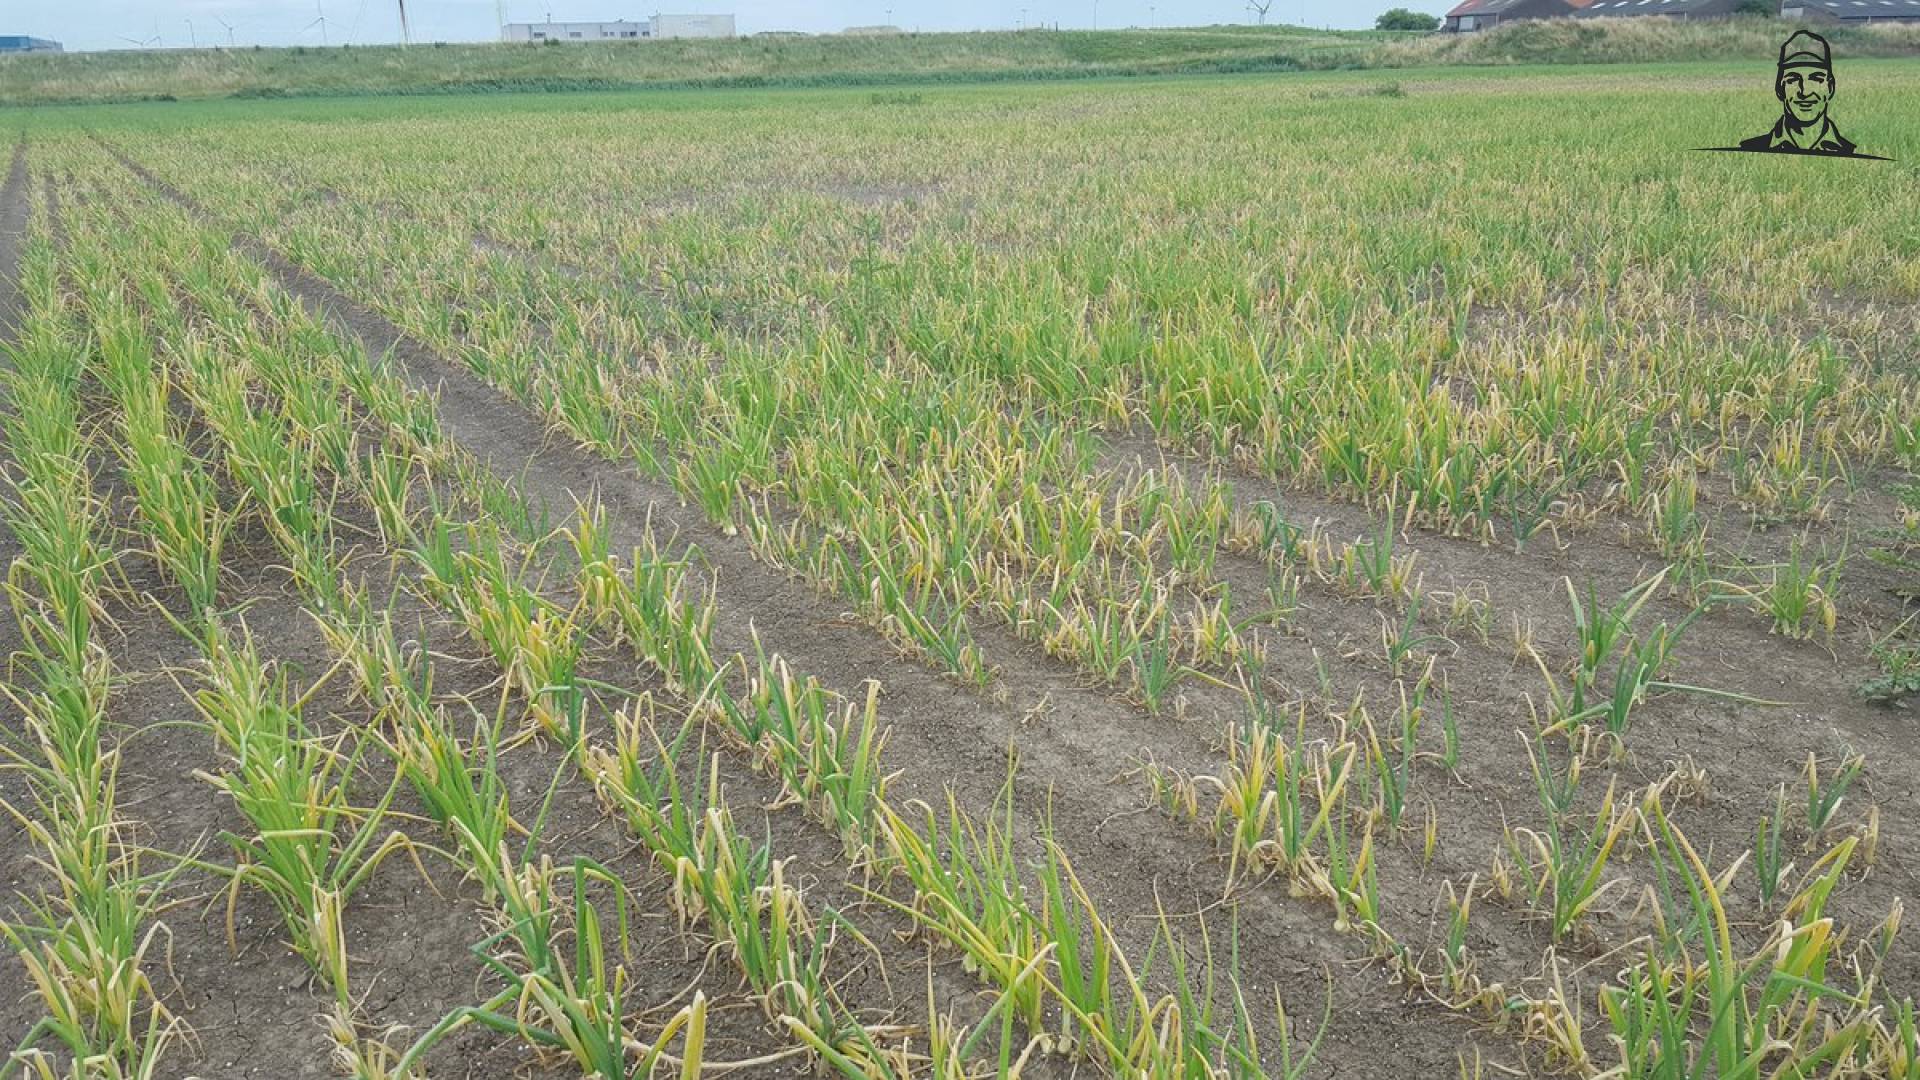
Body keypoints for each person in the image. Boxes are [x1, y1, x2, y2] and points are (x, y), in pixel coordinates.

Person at [1736, 30, 1859, 156]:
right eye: (1792, 80)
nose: (1804, 92)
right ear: (1779, 89)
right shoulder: (1749, 150)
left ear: (1831, 88)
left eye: (1816, 79)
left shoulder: (1851, 152)